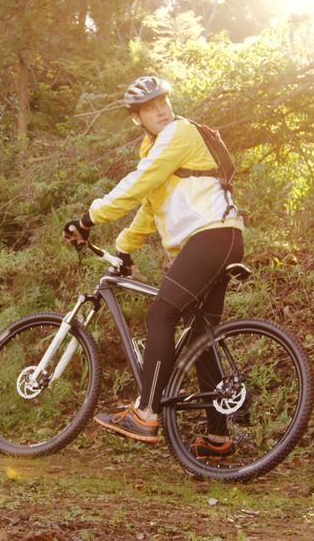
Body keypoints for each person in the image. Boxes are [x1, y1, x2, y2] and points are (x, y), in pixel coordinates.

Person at [63, 76, 244, 458]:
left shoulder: (179, 132)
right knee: (200, 336)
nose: (161, 109)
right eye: (150, 107)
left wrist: (87, 219)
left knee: (161, 314)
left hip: (209, 238)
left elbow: (139, 182)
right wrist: (123, 249)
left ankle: (145, 413)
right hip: (225, 238)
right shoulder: (160, 149)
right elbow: (150, 204)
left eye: (163, 101)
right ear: (137, 118)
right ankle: (218, 437)